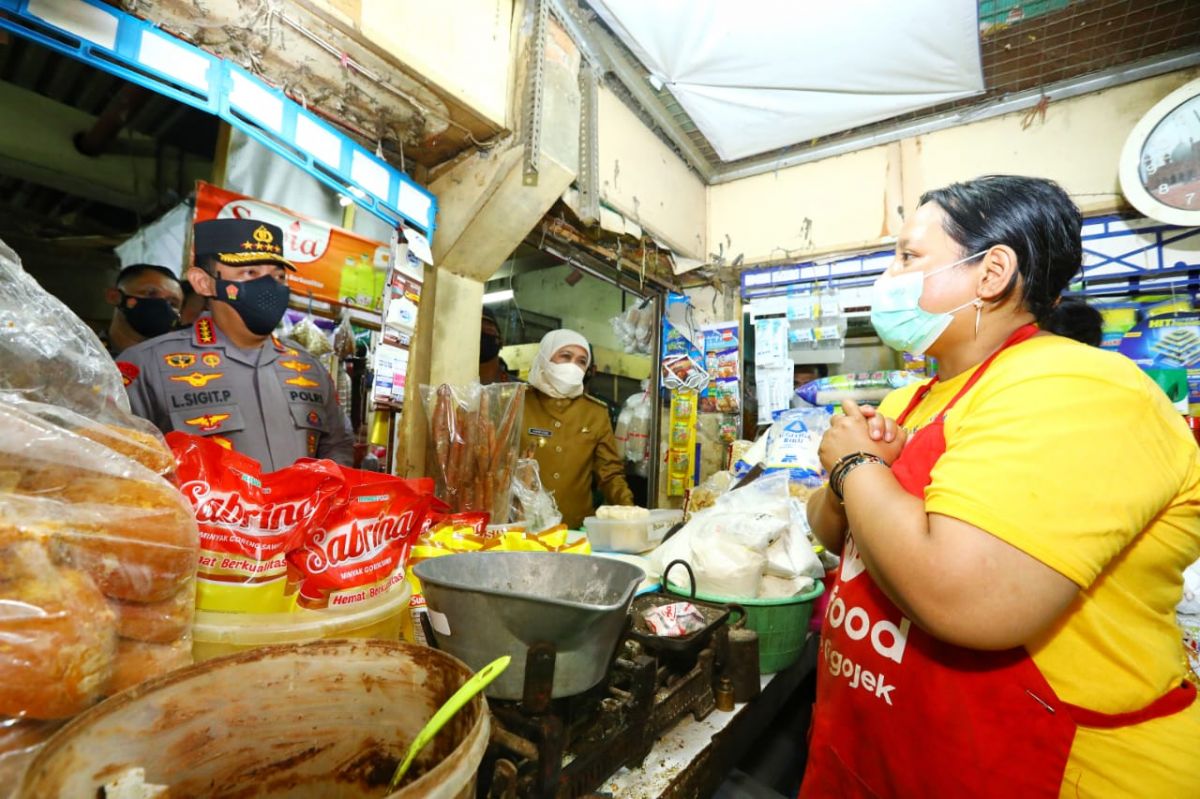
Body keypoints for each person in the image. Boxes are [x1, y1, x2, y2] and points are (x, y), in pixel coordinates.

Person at [801, 175, 1200, 798]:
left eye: (909, 256)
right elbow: (828, 531)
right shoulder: (911, 397)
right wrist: (849, 476)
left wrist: (857, 467)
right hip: (884, 744)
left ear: (991, 273)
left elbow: (969, 599)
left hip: (1038, 766)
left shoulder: (1080, 389)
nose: (889, 276)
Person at [118, 219, 354, 470]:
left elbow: (338, 445)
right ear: (204, 282)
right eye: (250, 272)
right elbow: (119, 463)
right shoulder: (146, 366)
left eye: (279, 276)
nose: (269, 286)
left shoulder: (309, 368)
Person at [520, 329, 634, 528]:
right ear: (546, 357)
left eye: (581, 361)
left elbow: (609, 474)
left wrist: (630, 511)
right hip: (520, 525)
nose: (573, 366)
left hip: (573, 528)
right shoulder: (517, 403)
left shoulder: (595, 413)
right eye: (565, 356)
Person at [102, 263, 184, 356]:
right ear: (114, 297)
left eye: (172, 304)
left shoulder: (182, 364)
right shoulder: (86, 353)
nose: (162, 305)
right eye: (151, 294)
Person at [479, 308, 509, 385]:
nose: (482, 332)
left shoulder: (521, 390)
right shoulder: (449, 389)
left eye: (488, 329)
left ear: (501, 340)